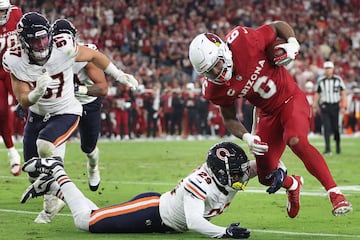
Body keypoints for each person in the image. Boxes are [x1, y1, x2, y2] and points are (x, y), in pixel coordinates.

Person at [188, 20, 352, 217]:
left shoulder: (244, 43)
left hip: (290, 99)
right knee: (266, 176)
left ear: (223, 52)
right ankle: (293, 184)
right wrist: (247, 137)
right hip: (266, 113)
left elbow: (276, 27)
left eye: (217, 65)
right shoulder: (215, 89)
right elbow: (229, 118)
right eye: (208, 71)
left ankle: (335, 193)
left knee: (296, 140)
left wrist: (293, 43)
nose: (216, 73)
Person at [2, 12, 138, 224]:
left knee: (50, 146)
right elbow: (23, 98)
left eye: (43, 38)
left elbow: (99, 74)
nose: (40, 45)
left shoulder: (65, 48)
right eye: (34, 40)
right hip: (39, 112)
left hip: (71, 108)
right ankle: (57, 193)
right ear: (23, 41)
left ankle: (60, 197)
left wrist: (119, 75)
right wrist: (36, 93)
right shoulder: (14, 58)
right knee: (32, 169)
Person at [20, 141, 287, 238]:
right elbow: (194, 222)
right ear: (220, 172)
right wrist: (224, 233)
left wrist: (279, 171)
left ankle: (55, 185)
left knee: (97, 215)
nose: (242, 175)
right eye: (236, 173)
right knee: (86, 222)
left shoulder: (230, 170)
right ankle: (57, 170)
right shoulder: (201, 182)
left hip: (161, 213)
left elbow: (262, 165)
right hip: (152, 213)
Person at [52, 18, 107, 191]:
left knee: (88, 148)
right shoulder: (48, 56)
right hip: (64, 103)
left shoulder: (85, 55)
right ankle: (56, 185)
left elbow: (102, 88)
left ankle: (93, 167)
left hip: (88, 103)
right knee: (56, 140)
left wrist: (76, 88)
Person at [0, 0, 22, 176]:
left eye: (3, 11)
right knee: (1, 109)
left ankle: (38, 145)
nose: (1, 14)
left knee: (27, 103)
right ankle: (12, 151)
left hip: (14, 68)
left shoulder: (16, 13)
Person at [313, 61, 348, 155]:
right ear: (324, 70)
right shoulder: (321, 80)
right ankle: (327, 149)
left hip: (335, 106)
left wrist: (344, 106)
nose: (328, 70)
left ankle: (337, 146)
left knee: (336, 128)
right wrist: (315, 105)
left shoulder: (338, 79)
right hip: (325, 106)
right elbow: (317, 94)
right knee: (326, 128)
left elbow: (343, 93)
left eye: (330, 68)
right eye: (326, 68)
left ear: (333, 69)